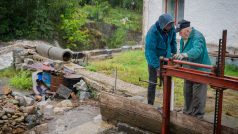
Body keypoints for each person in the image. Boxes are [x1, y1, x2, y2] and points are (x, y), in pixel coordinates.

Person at [173, 20, 211, 118]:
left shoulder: (197, 37)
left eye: (180, 32)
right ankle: (187, 114)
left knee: (198, 96)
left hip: (200, 69)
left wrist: (185, 55)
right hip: (189, 69)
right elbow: (182, 50)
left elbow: (197, 51)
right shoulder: (183, 39)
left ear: (187, 31)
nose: (179, 35)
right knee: (187, 92)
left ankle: (197, 117)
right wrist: (180, 63)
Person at [145, 13, 177, 105]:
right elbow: (150, 52)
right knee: (153, 81)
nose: (171, 27)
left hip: (166, 58)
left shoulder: (171, 29)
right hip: (153, 59)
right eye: (169, 25)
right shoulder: (152, 32)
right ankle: (150, 105)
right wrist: (157, 67)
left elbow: (173, 42)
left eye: (171, 25)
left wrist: (174, 54)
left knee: (167, 81)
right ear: (162, 25)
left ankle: (167, 105)